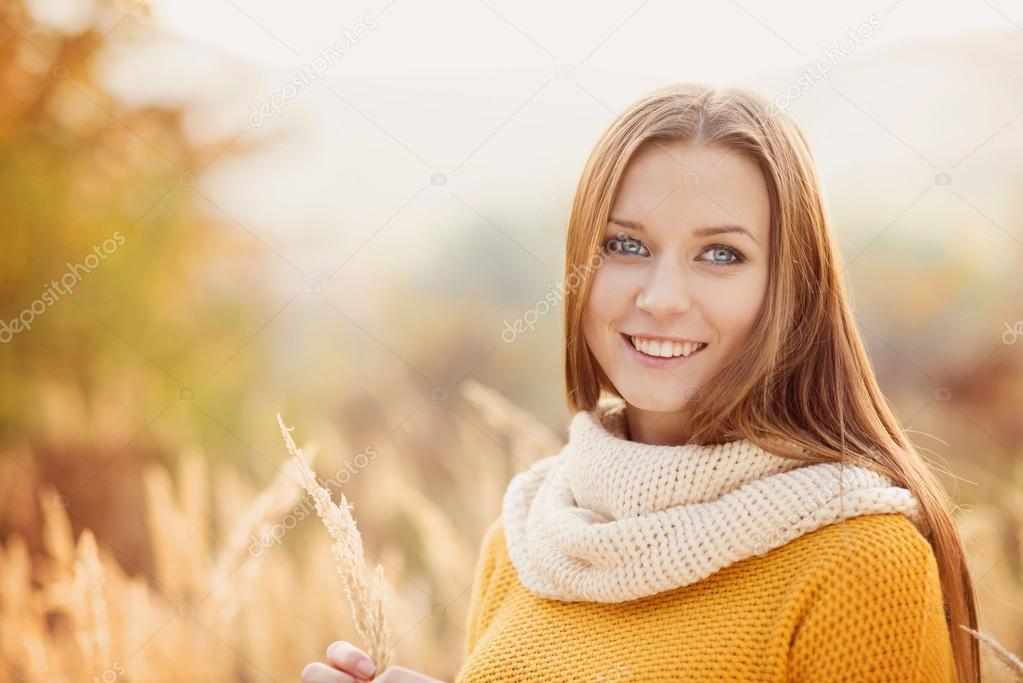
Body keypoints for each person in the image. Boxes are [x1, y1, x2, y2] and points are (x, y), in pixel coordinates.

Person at [301, 83, 980, 683]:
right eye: (624, 245)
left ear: (791, 290)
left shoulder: (862, 561)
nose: (660, 297)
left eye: (721, 254)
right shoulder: (528, 540)